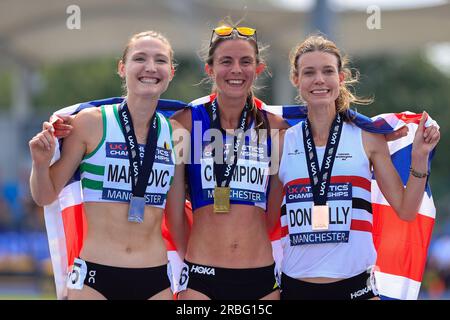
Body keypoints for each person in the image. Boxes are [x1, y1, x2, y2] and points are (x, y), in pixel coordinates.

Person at [267, 35, 440, 300]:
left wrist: (419, 159)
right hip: (296, 288)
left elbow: (406, 210)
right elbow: (267, 221)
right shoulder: (282, 142)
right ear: (296, 79)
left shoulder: (367, 137)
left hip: (356, 289)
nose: (319, 80)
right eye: (309, 72)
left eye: (328, 71)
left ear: (341, 77)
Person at [29, 30, 180, 300]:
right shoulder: (90, 123)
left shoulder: (179, 134)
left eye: (160, 60)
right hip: (95, 278)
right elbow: (45, 195)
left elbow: (179, 214)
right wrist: (40, 164)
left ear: (171, 72)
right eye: (139, 58)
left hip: (155, 277)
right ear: (122, 68)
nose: (150, 67)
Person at [166, 20, 288, 300]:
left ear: (258, 69)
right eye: (226, 61)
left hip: (259, 275)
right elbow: (174, 213)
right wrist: (197, 260)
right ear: (210, 69)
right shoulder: (184, 124)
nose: (236, 70)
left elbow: (272, 215)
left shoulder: (276, 129)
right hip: (201, 276)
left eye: (246, 61)